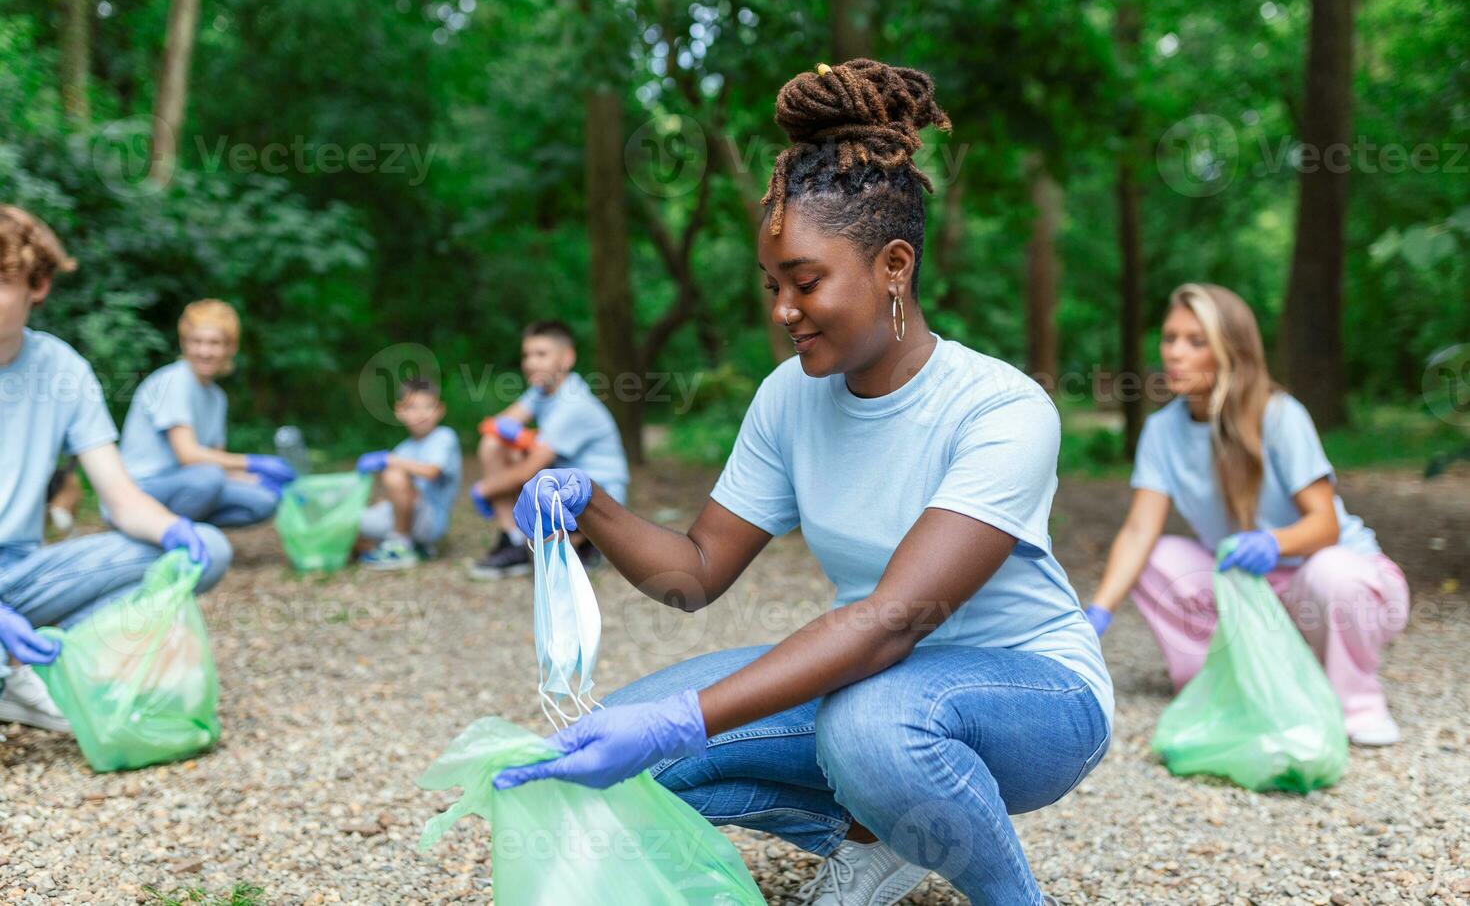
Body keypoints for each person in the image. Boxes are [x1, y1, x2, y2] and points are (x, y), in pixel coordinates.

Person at [493, 60, 1110, 906]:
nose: (783, 309)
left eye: (807, 282)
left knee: (867, 726)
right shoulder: (790, 397)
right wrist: (588, 503)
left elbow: (893, 624)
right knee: (635, 765)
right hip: (873, 685)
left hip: (1032, 695)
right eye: (773, 285)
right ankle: (887, 834)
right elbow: (694, 573)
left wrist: (690, 714)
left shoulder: (1002, 409)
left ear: (895, 265)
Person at [1083, 283, 1410, 746]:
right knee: (1157, 559)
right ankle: (1226, 683)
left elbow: (1326, 524)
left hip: (1345, 587)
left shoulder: (1279, 415)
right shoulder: (1162, 431)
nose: (1175, 353)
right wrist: (1098, 612)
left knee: (1332, 573)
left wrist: (1274, 543)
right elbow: (1138, 530)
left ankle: (1356, 704)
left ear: (1229, 351)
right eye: (1170, 338)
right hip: (1255, 590)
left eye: (1196, 342)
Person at [0, 206, 231, 733]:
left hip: (21, 573)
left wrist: (174, 529)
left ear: (39, 285)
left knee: (209, 551)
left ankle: (37, 665)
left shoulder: (62, 369)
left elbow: (120, 499)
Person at [466, 320, 629, 580]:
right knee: (497, 444)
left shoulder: (572, 402)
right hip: (564, 482)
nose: (531, 363)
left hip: (598, 494)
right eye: (527, 355)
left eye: (541, 354)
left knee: (522, 459)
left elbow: (531, 468)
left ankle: (588, 541)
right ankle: (515, 540)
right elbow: (496, 427)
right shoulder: (541, 392)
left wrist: (485, 488)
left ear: (567, 358)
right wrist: (522, 438)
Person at [118, 300, 296, 527]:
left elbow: (219, 464)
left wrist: (258, 480)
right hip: (142, 489)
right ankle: (159, 532)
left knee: (262, 501)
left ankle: (193, 530)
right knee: (208, 479)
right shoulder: (175, 380)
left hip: (189, 484)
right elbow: (188, 455)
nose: (205, 351)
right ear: (184, 344)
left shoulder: (216, 398)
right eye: (197, 342)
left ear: (231, 348)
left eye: (215, 343)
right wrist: (253, 462)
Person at [354, 378, 461, 570]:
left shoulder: (444, 437)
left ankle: (401, 544)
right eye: (412, 407)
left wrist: (390, 460)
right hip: (404, 516)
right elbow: (395, 494)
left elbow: (432, 472)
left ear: (439, 410)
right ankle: (406, 546)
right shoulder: (403, 448)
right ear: (399, 411)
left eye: (428, 406)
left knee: (394, 474)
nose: (420, 413)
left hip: (429, 521)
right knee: (352, 522)